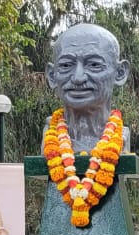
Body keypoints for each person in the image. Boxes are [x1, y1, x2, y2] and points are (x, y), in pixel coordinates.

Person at [44, 21, 130, 152]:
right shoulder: (49, 137)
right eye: (66, 65)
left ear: (120, 73)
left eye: (94, 65)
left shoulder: (121, 136)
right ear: (52, 75)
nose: (78, 78)